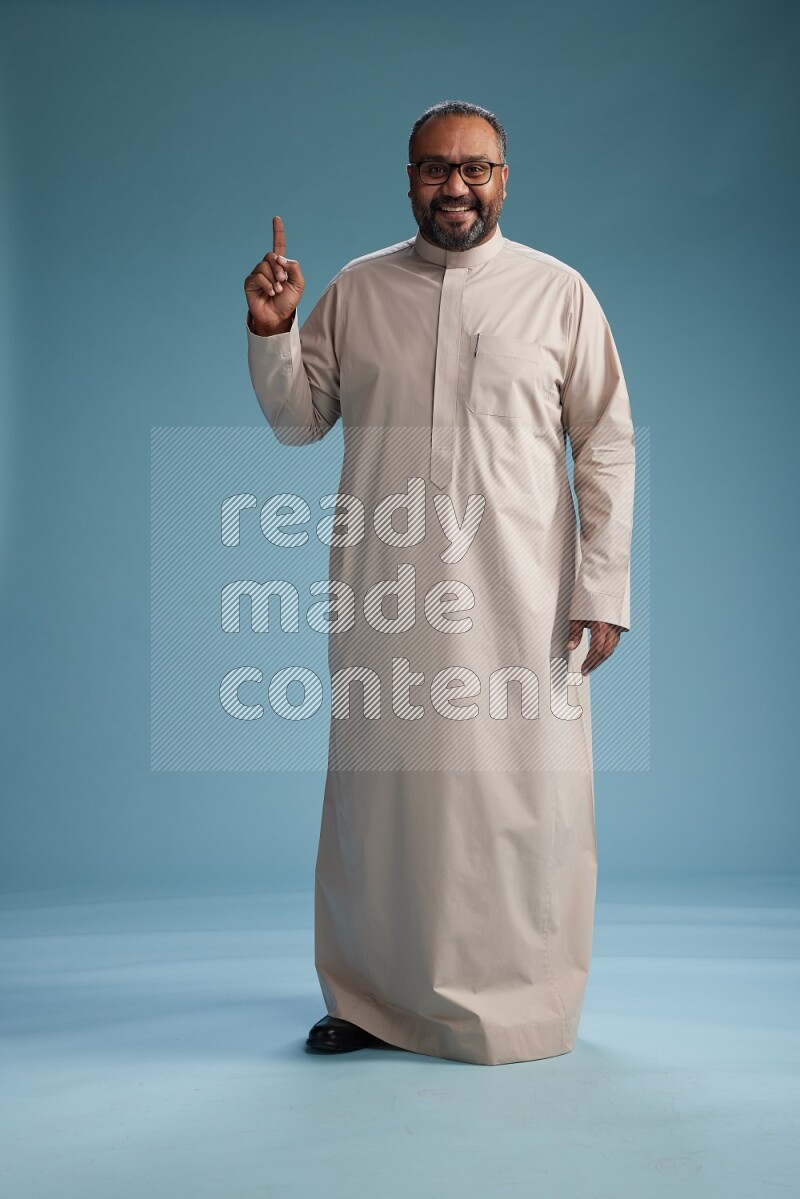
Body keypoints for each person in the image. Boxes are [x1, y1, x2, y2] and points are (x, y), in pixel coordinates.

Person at [243, 99, 636, 1066]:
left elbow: (608, 443)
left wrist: (603, 586)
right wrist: (275, 330)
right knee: (386, 802)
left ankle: (527, 1000)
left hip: (521, 595)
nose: (454, 186)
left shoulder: (558, 293)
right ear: (407, 177)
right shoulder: (360, 289)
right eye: (434, 169)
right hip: (389, 588)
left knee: (520, 800)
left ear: (505, 179)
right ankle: (371, 999)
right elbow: (301, 421)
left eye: (475, 169)